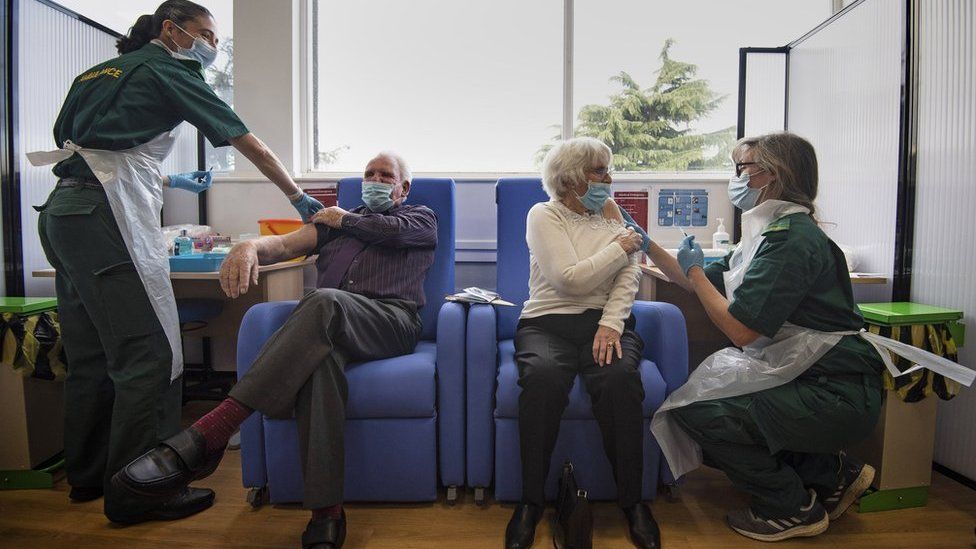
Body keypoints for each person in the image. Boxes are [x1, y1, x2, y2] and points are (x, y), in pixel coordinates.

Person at [28, 0, 326, 524]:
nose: (211, 46)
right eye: (206, 34)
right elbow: (246, 141)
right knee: (151, 354)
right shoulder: (170, 68)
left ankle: (89, 477)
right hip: (105, 213)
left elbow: (87, 144)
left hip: (61, 213)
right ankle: (142, 490)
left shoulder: (95, 73)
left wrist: (171, 180)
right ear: (172, 29)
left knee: (93, 352)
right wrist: (300, 199)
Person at [113, 152, 436, 549]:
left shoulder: (419, 218)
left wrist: (344, 219)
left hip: (390, 324)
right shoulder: (333, 226)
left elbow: (395, 235)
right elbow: (283, 246)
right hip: (329, 330)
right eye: (369, 173)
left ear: (403, 188)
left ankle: (213, 429)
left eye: (385, 176)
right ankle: (326, 513)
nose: (374, 179)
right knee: (319, 365)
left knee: (322, 300)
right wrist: (249, 247)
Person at [645, 132, 882, 542]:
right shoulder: (768, 234)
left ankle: (790, 507)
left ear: (774, 175)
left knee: (697, 412)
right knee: (708, 401)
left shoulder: (791, 240)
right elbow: (695, 283)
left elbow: (738, 327)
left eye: (742, 168)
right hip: (810, 375)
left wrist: (697, 272)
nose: (736, 178)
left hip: (834, 389)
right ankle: (831, 473)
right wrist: (643, 242)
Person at [505, 137, 660, 549]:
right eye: (598, 171)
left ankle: (634, 503)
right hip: (545, 323)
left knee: (620, 381)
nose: (608, 179)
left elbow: (630, 276)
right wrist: (619, 246)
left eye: (607, 171)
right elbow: (568, 280)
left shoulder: (612, 214)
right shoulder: (543, 215)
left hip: (606, 323)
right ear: (571, 178)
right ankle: (530, 502)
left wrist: (611, 323)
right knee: (542, 379)